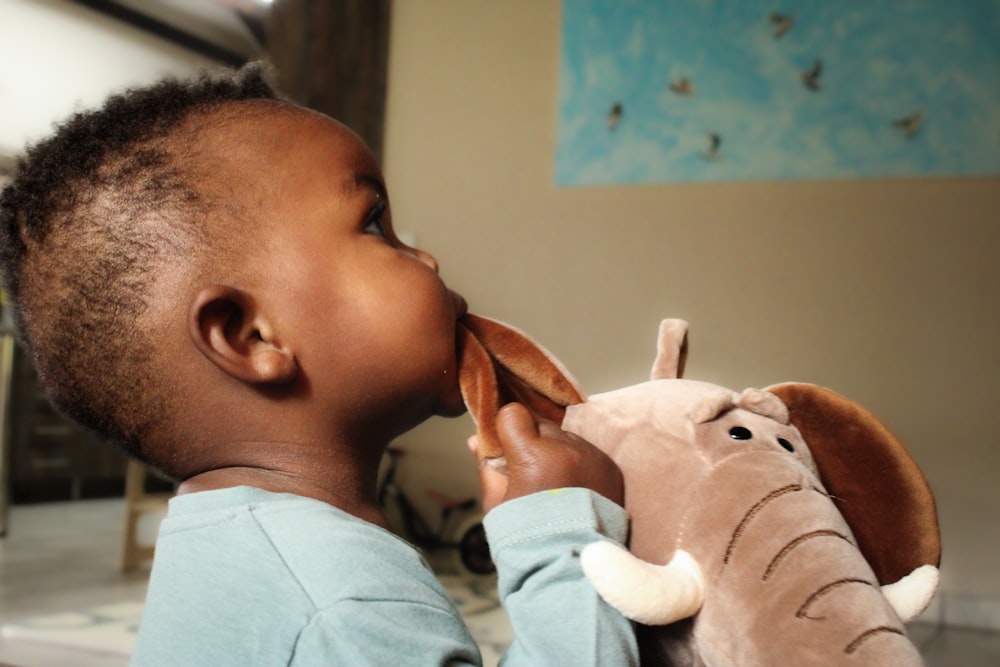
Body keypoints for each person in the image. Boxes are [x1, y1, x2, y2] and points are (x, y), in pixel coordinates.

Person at [0, 63, 637, 665]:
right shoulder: (347, 604)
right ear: (251, 336)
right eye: (376, 225)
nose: (428, 261)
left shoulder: (227, 554)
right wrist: (567, 537)